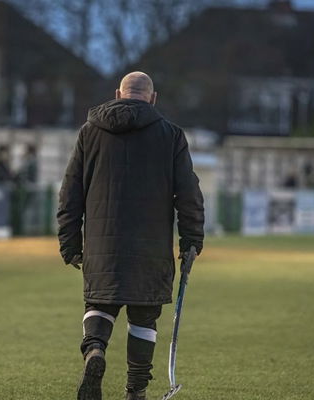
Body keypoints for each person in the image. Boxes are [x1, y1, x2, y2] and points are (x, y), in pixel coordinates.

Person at [57, 71, 205, 400]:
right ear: (152, 98)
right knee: (144, 315)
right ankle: (135, 390)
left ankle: (95, 351)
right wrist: (192, 240)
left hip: (101, 240)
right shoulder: (171, 135)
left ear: (118, 93)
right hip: (150, 244)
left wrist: (70, 243)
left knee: (99, 303)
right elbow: (189, 195)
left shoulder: (89, 132)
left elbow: (69, 193)